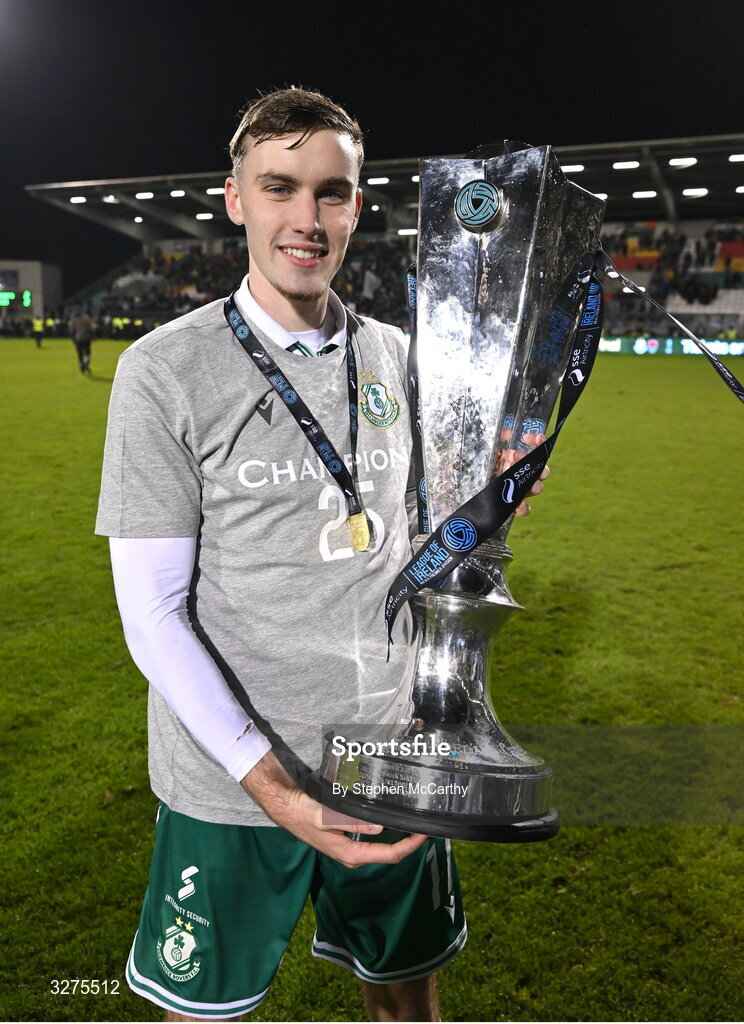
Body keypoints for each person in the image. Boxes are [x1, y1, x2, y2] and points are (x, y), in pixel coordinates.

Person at [95, 88, 547, 1022]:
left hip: (390, 759)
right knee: (206, 1013)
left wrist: (490, 510)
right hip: (230, 785)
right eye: (280, 188)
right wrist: (272, 784)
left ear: (357, 203)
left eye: (331, 193)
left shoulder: (406, 359)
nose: (307, 218)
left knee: (405, 1000)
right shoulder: (163, 372)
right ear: (235, 199)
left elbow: (424, 549)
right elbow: (151, 613)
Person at [69, 308, 94, 373]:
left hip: (78, 339)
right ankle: (86, 362)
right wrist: (93, 337)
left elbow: (72, 331)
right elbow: (90, 329)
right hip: (86, 338)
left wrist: (73, 339)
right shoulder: (87, 319)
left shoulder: (74, 321)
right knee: (87, 352)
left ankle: (81, 364)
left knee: (80, 353)